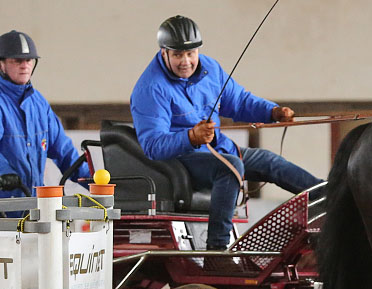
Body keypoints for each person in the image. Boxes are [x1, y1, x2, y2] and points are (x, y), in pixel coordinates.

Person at [130, 15, 322, 250]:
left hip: (218, 149)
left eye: (190, 53)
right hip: (180, 161)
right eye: (178, 55)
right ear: (164, 53)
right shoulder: (150, 89)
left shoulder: (211, 69)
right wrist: (191, 137)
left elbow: (239, 101)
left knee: (270, 162)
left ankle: (328, 196)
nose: (186, 61)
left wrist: (272, 111)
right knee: (230, 167)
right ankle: (217, 250)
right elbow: (153, 146)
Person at [0, 30, 89, 217]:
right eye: (17, 61)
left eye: (29, 60)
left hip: (29, 211)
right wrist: (3, 172)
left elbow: (64, 152)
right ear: (0, 64)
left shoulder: (39, 104)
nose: (25, 66)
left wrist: (93, 181)